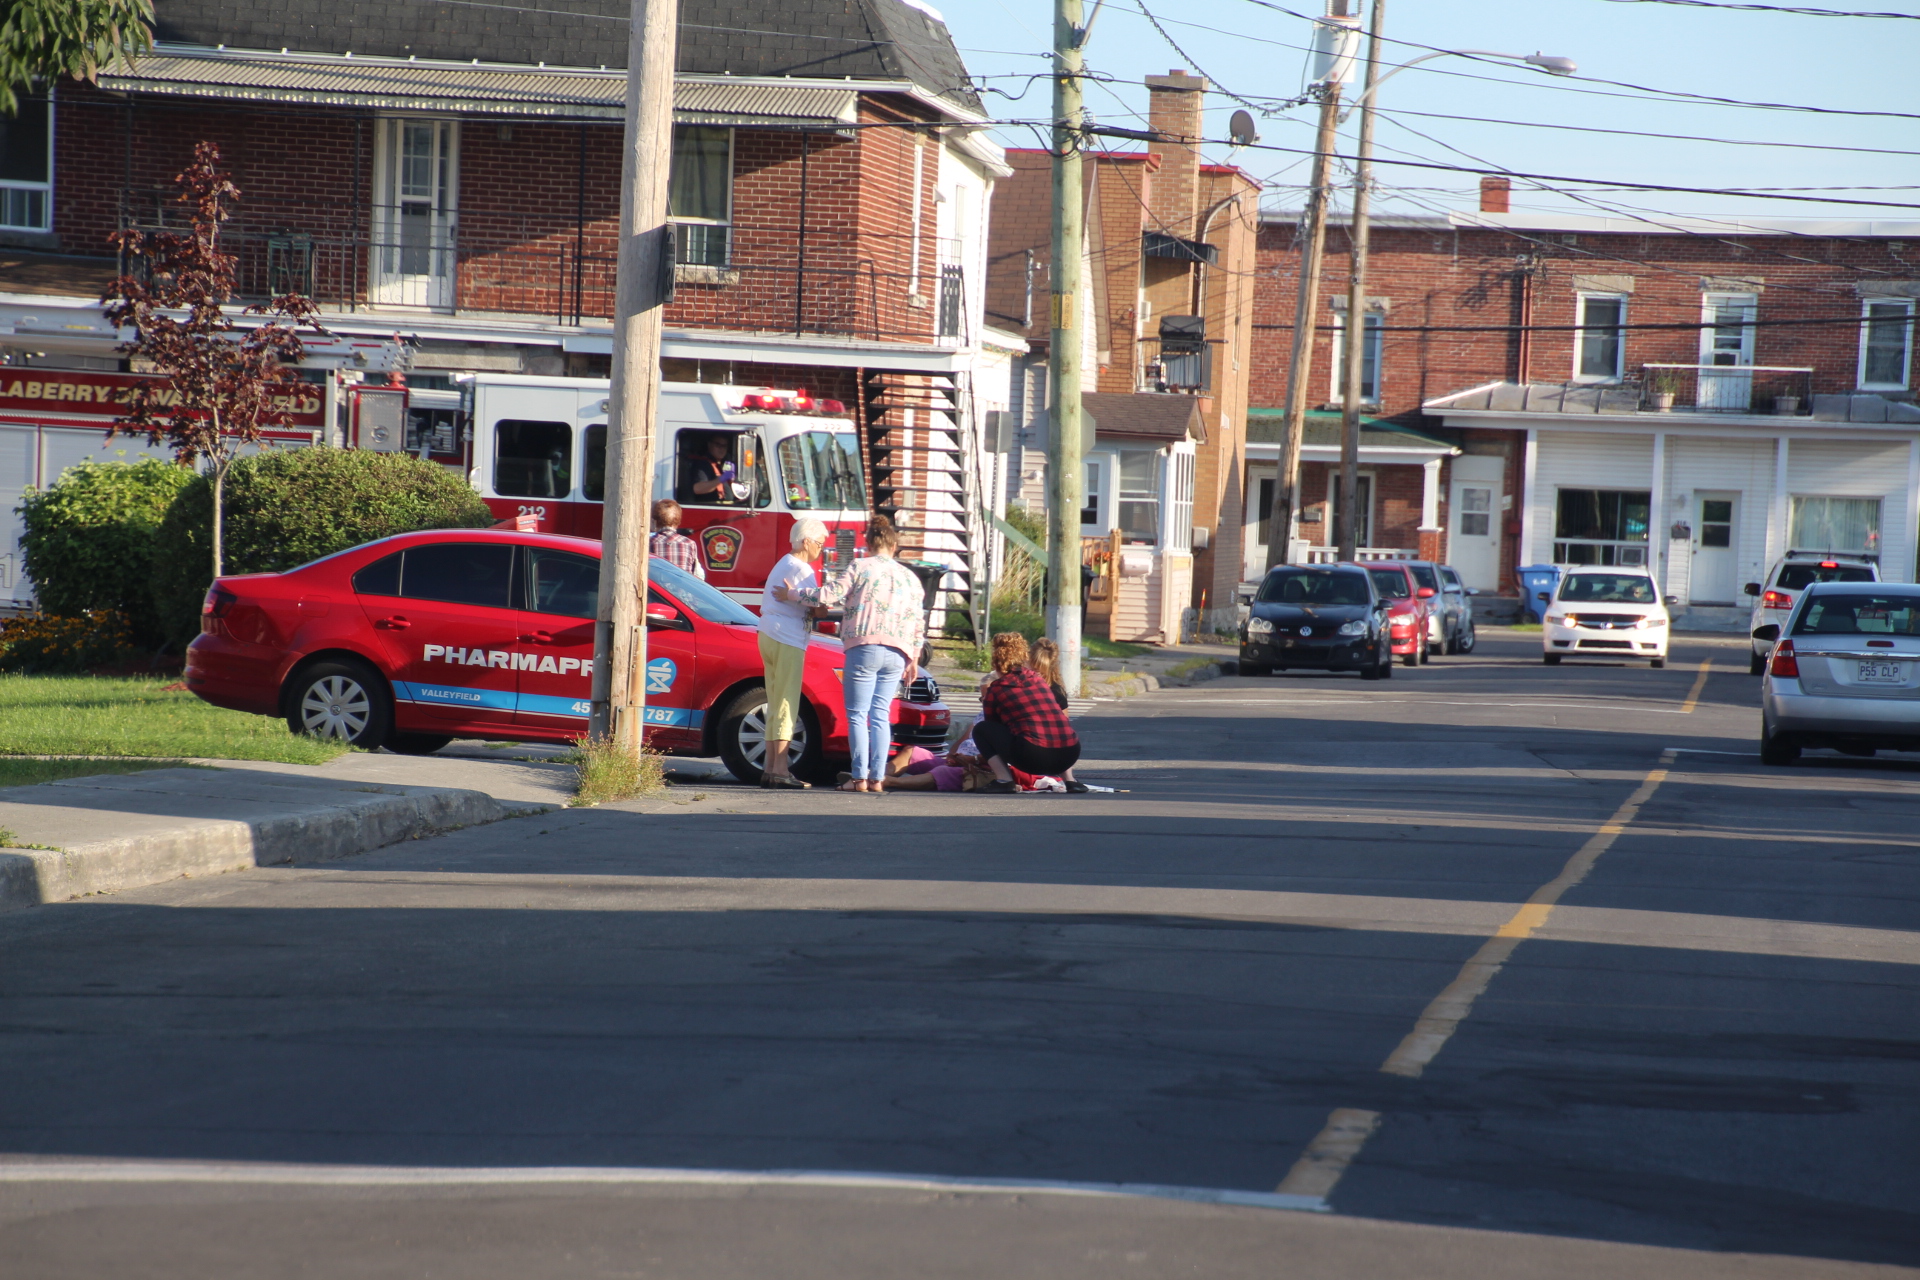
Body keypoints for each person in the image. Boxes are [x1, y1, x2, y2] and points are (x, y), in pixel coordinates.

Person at [776, 515, 925, 793]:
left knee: (857, 714)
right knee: (881, 715)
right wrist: (914, 657)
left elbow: (829, 594)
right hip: (898, 652)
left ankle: (858, 778)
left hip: (864, 646)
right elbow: (918, 621)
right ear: (894, 547)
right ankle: (878, 778)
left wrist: (793, 595)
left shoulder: (860, 566)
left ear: (868, 544)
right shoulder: (911, 578)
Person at [757, 516, 828, 789]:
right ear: (806, 541)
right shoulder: (802, 568)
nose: (820, 549)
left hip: (768, 632)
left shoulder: (782, 563)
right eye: (819, 544)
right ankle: (781, 769)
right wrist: (818, 605)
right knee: (787, 702)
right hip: (788, 637)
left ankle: (769, 766)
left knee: (775, 701)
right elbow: (819, 606)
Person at [973, 631, 1087, 794]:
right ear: (1024, 657)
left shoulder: (996, 689)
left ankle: (1004, 780)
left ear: (996, 662)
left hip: (1034, 757)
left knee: (982, 729)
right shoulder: (1038, 679)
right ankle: (1071, 781)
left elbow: (993, 727)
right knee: (1054, 728)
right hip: (1070, 753)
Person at [648, 499, 705, 580]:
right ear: (678, 521)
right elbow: (699, 575)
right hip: (682, 590)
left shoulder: (650, 541)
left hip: (657, 590)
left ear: (654, 521)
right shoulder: (689, 543)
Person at [683, 433, 742, 506]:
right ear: (709, 445)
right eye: (718, 445)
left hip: (727, 508)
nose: (721, 449)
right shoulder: (703, 463)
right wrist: (721, 479)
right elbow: (697, 489)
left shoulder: (724, 464)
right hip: (710, 509)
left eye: (724, 446)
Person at [1028, 637, 1070, 710]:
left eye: (1041, 672)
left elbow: (1064, 720)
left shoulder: (1056, 692)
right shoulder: (1018, 686)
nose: (1034, 674)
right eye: (1033, 669)